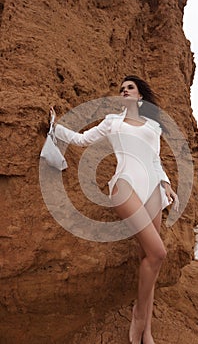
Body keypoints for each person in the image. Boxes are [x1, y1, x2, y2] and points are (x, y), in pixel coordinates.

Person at [50, 75, 179, 344]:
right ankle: (139, 318)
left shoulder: (152, 126)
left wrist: (166, 183)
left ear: (140, 95)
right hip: (125, 184)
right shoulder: (113, 121)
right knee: (158, 253)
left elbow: (154, 159)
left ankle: (147, 332)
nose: (124, 91)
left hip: (153, 187)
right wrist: (55, 127)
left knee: (150, 260)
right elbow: (82, 139)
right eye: (121, 89)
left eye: (130, 88)